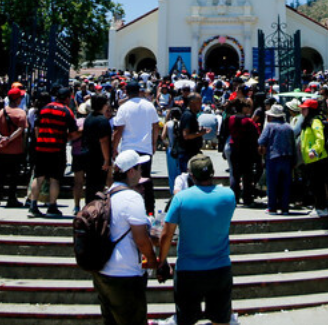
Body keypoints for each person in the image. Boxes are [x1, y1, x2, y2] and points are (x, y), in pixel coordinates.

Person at [158, 153, 236, 325]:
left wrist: (162, 261)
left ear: (191, 176)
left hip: (188, 270)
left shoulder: (180, 199)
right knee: (221, 320)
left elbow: (166, 234)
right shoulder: (229, 196)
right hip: (220, 268)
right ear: (213, 173)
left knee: (186, 320)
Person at [93, 150, 158, 325]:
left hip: (102, 271)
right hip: (125, 274)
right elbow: (141, 239)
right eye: (139, 168)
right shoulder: (132, 197)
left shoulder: (107, 194)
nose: (141, 172)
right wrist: (152, 260)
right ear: (130, 171)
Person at [111, 82, 161, 214]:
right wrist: (153, 143)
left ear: (126, 92)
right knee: (146, 180)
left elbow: (118, 131)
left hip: (128, 150)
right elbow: (156, 126)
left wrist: (114, 148)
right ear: (139, 91)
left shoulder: (123, 108)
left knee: (127, 181)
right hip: (145, 149)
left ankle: (128, 210)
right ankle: (149, 211)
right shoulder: (149, 106)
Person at [28, 87, 79, 217]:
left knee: (38, 177)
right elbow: (73, 132)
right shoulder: (67, 111)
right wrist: (65, 138)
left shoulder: (44, 109)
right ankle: (52, 206)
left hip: (41, 147)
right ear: (67, 98)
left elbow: (37, 128)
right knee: (54, 179)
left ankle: (33, 206)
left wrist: (40, 140)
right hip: (57, 148)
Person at [0, 87, 28, 208]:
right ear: (18, 99)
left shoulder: (1, 112)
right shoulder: (21, 113)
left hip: (2, 149)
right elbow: (21, 129)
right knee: (14, 176)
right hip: (16, 150)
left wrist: (1, 137)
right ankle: (11, 198)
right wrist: (9, 139)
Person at [258, 103, 295, 215]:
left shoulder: (270, 126)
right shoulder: (289, 127)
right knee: (285, 184)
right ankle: (285, 208)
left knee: (272, 184)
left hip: (273, 158)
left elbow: (261, 141)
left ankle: (272, 207)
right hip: (287, 158)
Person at [82, 94, 114, 205]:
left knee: (90, 185)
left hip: (87, 155)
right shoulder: (102, 120)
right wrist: (107, 159)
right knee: (98, 185)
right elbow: (103, 141)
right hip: (98, 157)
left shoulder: (89, 118)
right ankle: (95, 208)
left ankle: (88, 206)